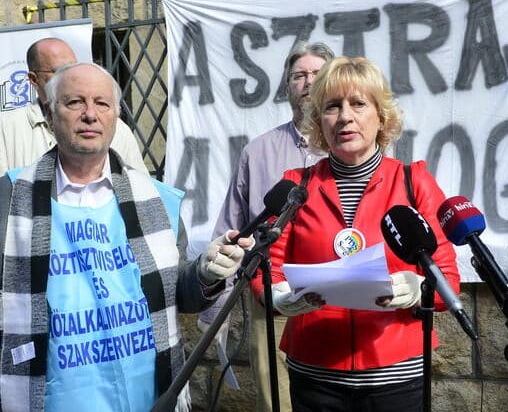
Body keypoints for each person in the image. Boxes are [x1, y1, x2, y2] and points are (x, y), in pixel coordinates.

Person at [0, 62, 254, 411]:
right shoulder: (9, 200)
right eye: (75, 102)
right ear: (49, 111)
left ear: (116, 115)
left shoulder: (158, 199)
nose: (90, 114)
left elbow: (180, 294)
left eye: (102, 104)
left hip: (147, 398)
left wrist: (206, 273)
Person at [250, 56, 460, 412]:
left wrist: (418, 288)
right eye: (332, 106)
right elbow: (265, 270)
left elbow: (448, 280)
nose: (345, 116)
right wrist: (278, 297)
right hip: (315, 377)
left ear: (381, 116)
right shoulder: (294, 187)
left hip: (396, 377)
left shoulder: (414, 183)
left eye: (358, 104)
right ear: (319, 121)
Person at [210, 40, 334, 412]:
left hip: (337, 293)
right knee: (277, 401)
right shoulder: (258, 152)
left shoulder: (351, 145)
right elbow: (233, 226)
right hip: (272, 297)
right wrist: (214, 308)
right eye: (299, 75)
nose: (308, 82)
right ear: (287, 86)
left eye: (317, 74)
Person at [0, 37, 147, 175]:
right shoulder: (6, 128)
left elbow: (142, 190)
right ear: (33, 79)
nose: (69, 76)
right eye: (59, 71)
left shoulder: (116, 128)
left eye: (72, 67)